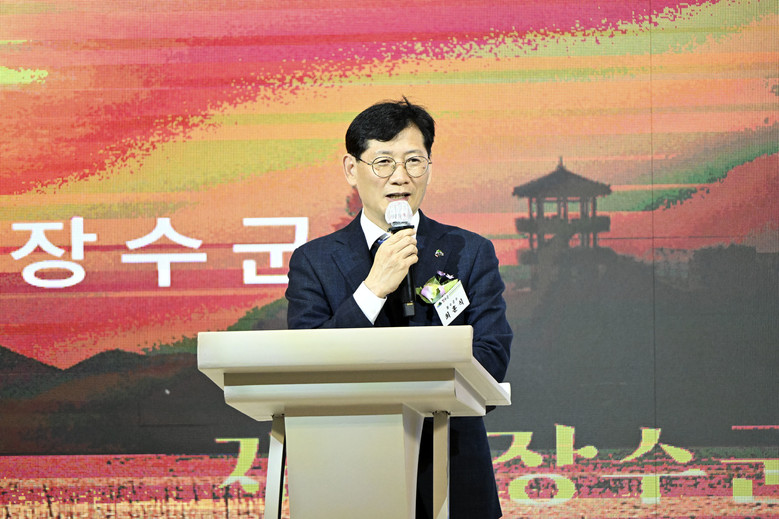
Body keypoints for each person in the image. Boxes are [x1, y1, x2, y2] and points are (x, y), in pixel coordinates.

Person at [285, 97, 512, 518]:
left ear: (430, 166)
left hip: (452, 467)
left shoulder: (469, 251)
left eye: (414, 161)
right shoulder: (314, 261)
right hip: (348, 468)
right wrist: (372, 290)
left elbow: (492, 357)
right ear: (351, 169)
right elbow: (307, 364)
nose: (401, 177)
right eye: (383, 162)